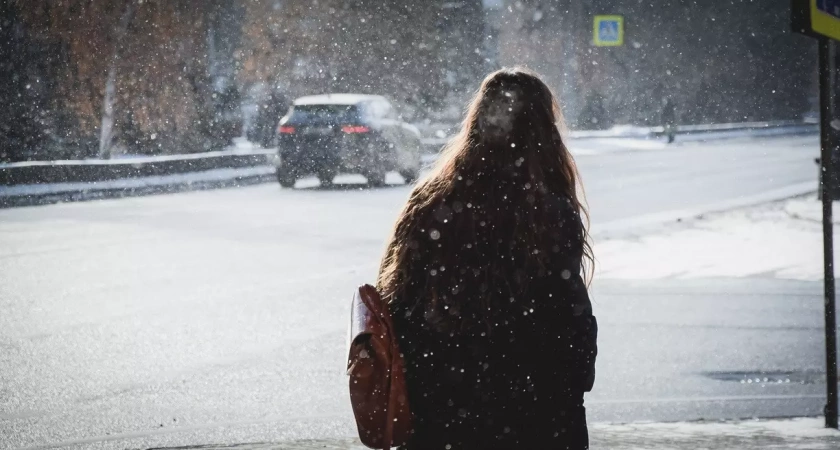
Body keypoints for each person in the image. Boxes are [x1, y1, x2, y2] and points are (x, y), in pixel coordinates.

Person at [377, 67, 598, 450]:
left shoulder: (432, 200)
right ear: (544, 132)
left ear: (476, 120)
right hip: (533, 406)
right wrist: (573, 377)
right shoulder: (547, 209)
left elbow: (396, 299)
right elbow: (566, 310)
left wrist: (425, 376)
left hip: (441, 404)